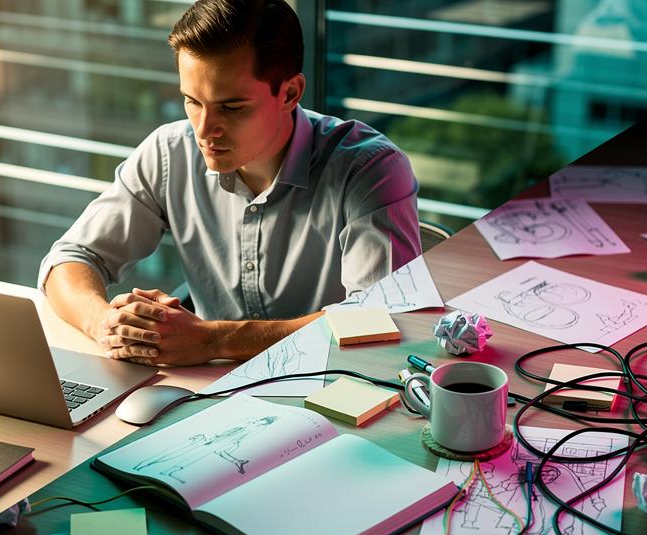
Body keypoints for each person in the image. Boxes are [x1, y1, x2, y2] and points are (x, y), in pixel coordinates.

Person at [39, 0, 422, 367]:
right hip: (202, 388)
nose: (204, 130)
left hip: (329, 389)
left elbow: (377, 320)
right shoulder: (169, 152)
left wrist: (214, 339)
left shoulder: (371, 170)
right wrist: (106, 324)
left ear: (290, 93)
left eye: (231, 107)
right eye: (192, 101)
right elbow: (70, 259)